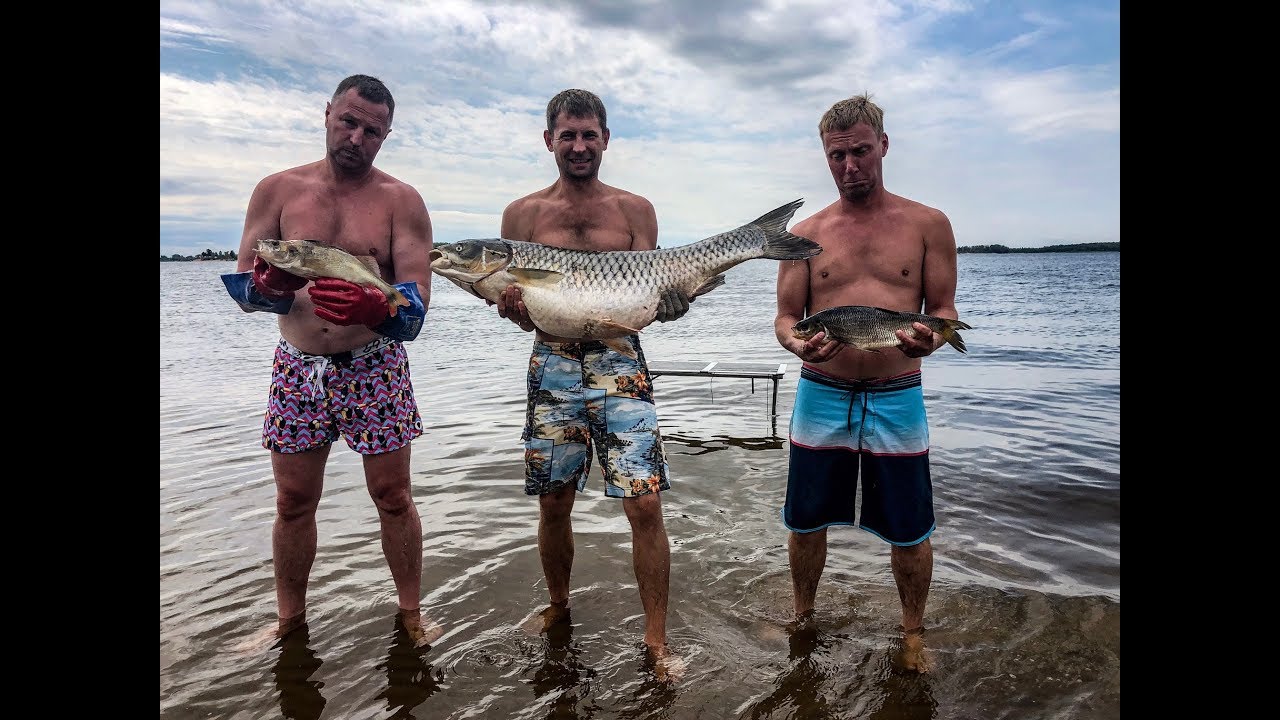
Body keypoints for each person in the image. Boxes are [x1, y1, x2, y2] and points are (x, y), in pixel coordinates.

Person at [220, 74, 441, 648]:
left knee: (393, 497)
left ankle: (411, 613)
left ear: (385, 136)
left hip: (374, 362)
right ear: (327, 113)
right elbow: (244, 290)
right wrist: (268, 287)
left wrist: (377, 307)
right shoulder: (277, 191)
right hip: (298, 365)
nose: (357, 138)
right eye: (348, 122)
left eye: (373, 131)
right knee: (293, 501)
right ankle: (288, 620)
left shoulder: (401, 201)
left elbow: (415, 307)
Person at [491, 88, 691, 678]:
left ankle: (656, 640)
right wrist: (512, 309)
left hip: (620, 360)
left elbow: (652, 295)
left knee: (644, 501)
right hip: (551, 361)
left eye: (588, 135)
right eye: (568, 135)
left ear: (606, 139)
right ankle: (559, 606)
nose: (578, 146)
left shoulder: (635, 211)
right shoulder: (521, 215)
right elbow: (518, 305)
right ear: (548, 140)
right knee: (553, 500)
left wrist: (673, 303)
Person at [773, 94, 960, 673]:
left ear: (883, 145)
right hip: (821, 390)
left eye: (860, 151)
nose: (850, 165)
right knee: (805, 521)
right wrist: (797, 344)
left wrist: (931, 339)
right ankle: (803, 617)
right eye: (837, 156)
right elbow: (786, 318)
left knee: (910, 527)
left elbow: (943, 310)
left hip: (897, 393)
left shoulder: (928, 224)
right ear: (825, 157)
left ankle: (912, 635)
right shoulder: (804, 234)